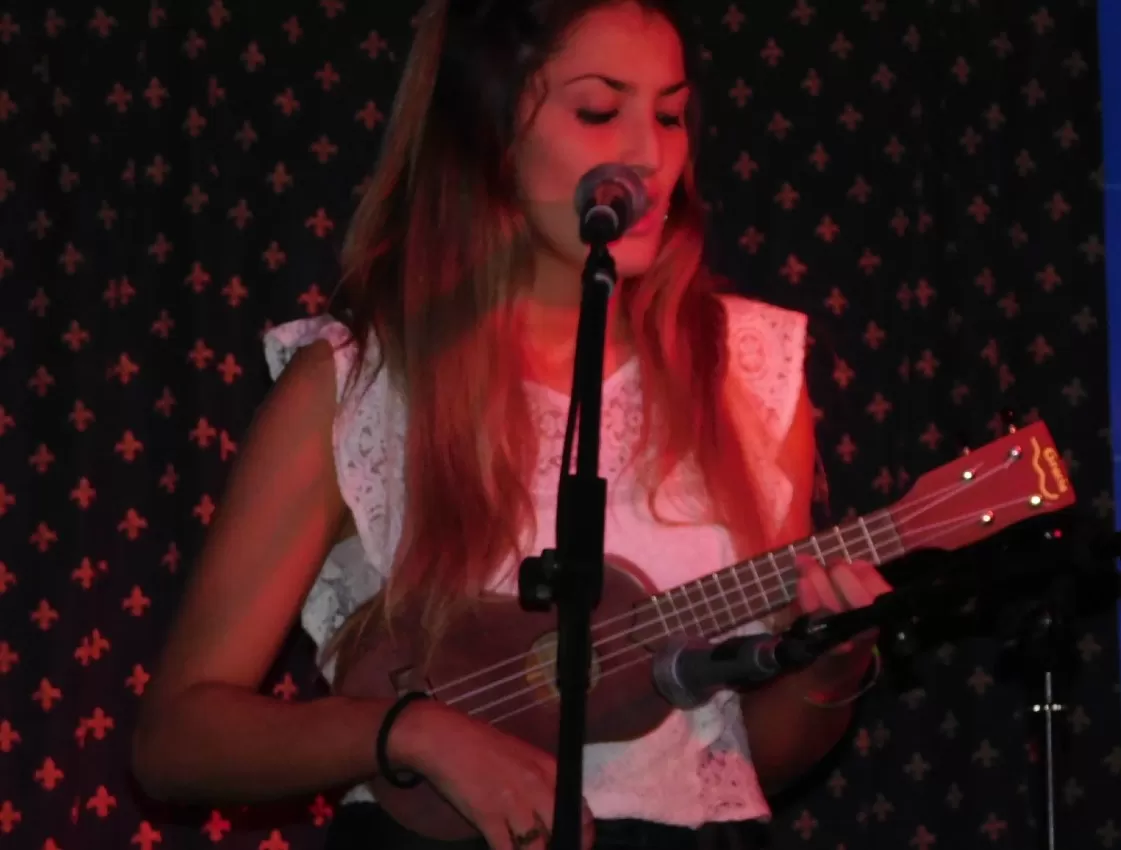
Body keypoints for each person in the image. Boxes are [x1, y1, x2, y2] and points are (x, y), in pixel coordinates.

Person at [129, 1, 891, 848]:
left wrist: (831, 669)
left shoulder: (747, 371)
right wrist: (412, 731)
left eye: (671, 115)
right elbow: (177, 740)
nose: (650, 154)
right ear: (487, 130)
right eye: (599, 111)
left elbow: (747, 763)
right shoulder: (360, 384)